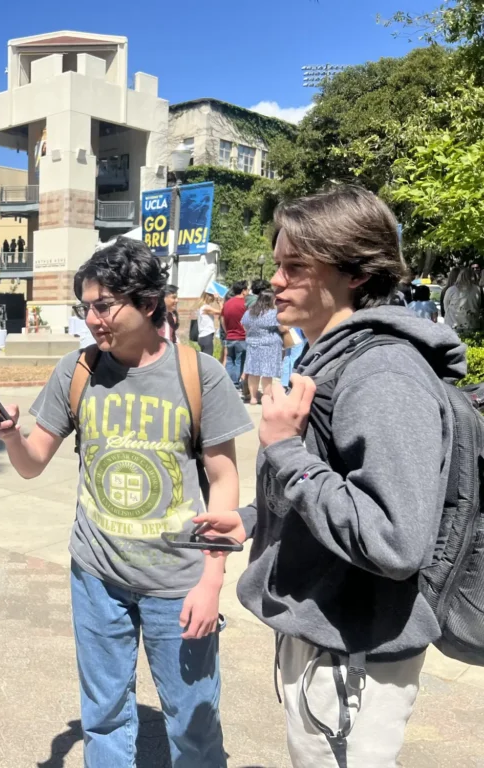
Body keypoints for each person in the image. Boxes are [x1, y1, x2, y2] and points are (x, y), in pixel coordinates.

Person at [194, 185, 463, 767]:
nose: (276, 280)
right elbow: (342, 484)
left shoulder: (382, 372)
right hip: (327, 634)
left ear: (354, 273)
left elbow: (394, 538)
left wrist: (286, 451)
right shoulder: (334, 359)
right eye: (276, 265)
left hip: (354, 648)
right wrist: (252, 521)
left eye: (295, 267)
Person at [0, 239, 252, 766]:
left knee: (193, 725)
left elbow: (223, 481)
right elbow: (34, 461)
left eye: (104, 306)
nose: (92, 319)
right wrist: (12, 436)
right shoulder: (78, 370)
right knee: (103, 718)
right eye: (87, 307)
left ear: (147, 304)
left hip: (179, 582)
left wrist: (213, 579)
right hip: (96, 575)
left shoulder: (199, 375)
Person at [240, 291, 283, 405]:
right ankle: (266, 397)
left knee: (253, 371)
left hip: (253, 344)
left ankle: (253, 398)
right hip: (270, 345)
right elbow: (283, 329)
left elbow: (244, 326)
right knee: (267, 372)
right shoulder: (273, 313)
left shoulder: (249, 313)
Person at [221, 280, 249, 388]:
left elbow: (222, 318)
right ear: (243, 291)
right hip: (241, 336)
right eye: (247, 289)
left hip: (230, 336)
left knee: (229, 360)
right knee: (239, 361)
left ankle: (229, 382)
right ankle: (235, 383)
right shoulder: (245, 304)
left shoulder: (227, 303)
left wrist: (227, 330)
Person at [442, 267, 482, 333]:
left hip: (453, 324)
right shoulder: (477, 289)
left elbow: (446, 306)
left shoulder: (451, 289)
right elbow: (478, 304)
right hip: (471, 324)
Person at [196, 291, 221, 357]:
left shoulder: (201, 307)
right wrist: (219, 301)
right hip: (207, 336)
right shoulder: (206, 307)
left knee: (204, 358)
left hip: (203, 336)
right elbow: (222, 311)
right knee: (208, 358)